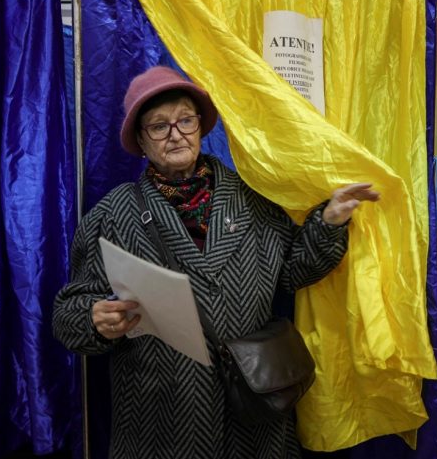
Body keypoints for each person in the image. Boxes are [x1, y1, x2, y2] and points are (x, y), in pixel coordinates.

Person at [52, 66, 380, 458]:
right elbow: (68, 312)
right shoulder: (113, 214)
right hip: (161, 420)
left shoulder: (254, 196)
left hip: (253, 412)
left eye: (185, 120)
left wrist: (330, 221)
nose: (176, 134)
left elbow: (294, 271)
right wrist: (94, 319)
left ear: (201, 127)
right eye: (159, 126)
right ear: (141, 140)